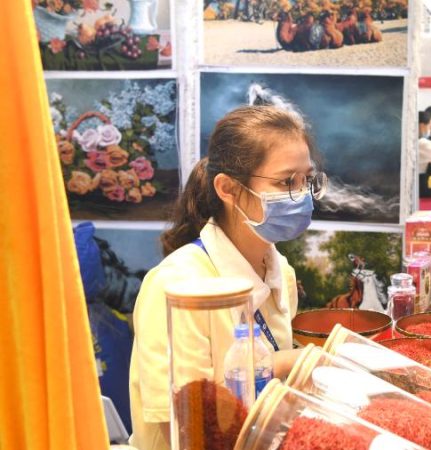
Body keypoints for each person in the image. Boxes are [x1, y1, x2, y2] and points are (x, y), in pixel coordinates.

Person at [128, 105, 327, 450]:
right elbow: (187, 422)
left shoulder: (281, 271)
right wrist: (282, 364)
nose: (302, 195)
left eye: (307, 179)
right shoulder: (175, 284)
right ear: (228, 188)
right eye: (285, 182)